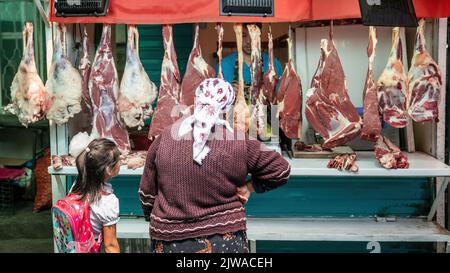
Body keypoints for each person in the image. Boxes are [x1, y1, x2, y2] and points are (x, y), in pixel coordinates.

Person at [139, 78, 290, 253]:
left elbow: (147, 193)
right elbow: (281, 170)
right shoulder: (238, 141)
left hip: (170, 241)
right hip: (224, 240)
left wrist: (156, 218)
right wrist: (250, 187)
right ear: (227, 108)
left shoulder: (165, 137)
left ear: (196, 101)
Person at [70, 138, 122, 253]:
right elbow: (110, 245)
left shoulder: (76, 186)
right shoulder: (108, 201)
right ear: (108, 169)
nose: (121, 160)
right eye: (118, 159)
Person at [218, 23, 284, 105]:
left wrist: (270, 93)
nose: (248, 41)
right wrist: (228, 94)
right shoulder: (224, 66)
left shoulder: (273, 65)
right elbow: (215, 103)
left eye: (253, 35)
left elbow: (281, 102)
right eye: (243, 35)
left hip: (265, 117)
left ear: (259, 34)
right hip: (235, 117)